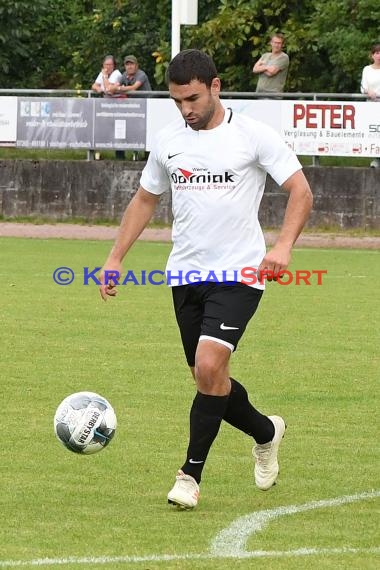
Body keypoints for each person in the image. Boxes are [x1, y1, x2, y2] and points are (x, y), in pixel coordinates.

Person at [98, 49, 313, 509]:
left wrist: (283, 246)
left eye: (192, 98)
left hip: (240, 274)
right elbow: (144, 200)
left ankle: (189, 477)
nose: (186, 109)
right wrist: (115, 257)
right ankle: (266, 431)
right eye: (178, 102)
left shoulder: (253, 135)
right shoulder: (170, 142)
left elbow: (300, 190)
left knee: (211, 367)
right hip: (185, 274)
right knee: (207, 378)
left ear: (215, 86)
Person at [360, 42, 380, 168]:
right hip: (371, 106)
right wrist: (368, 91)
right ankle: (376, 159)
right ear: (372, 55)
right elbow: (363, 86)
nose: (379, 56)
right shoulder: (366, 69)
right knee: (374, 132)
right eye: (377, 53)